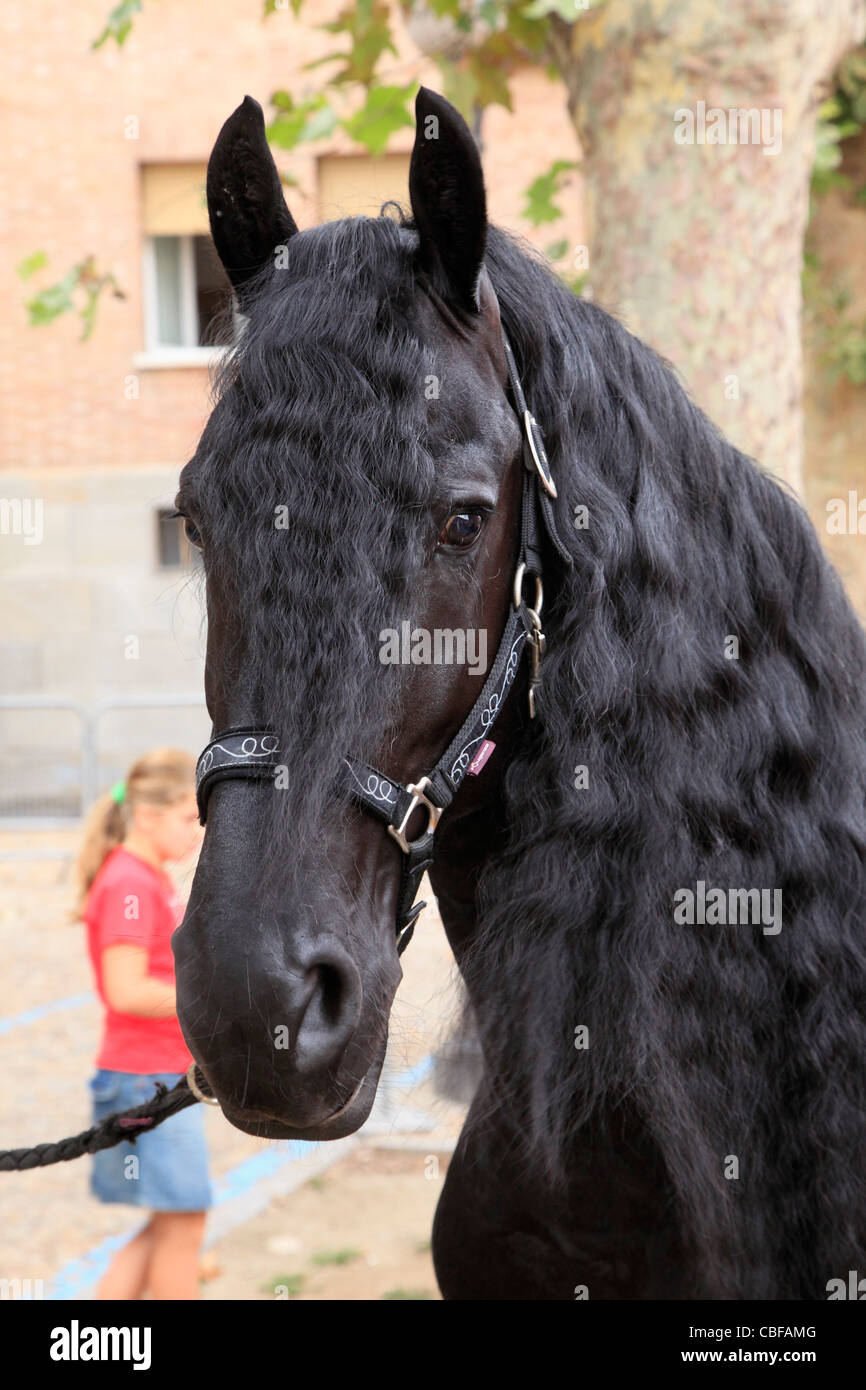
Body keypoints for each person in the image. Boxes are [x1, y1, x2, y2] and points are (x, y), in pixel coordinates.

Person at [69, 747, 212, 1300]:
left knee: (169, 1227)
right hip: (143, 1079)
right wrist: (209, 1001)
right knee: (184, 1229)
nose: (197, 834)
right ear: (148, 816)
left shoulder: (145, 876)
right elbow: (125, 991)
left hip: (151, 1075)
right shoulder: (131, 883)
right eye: (187, 819)